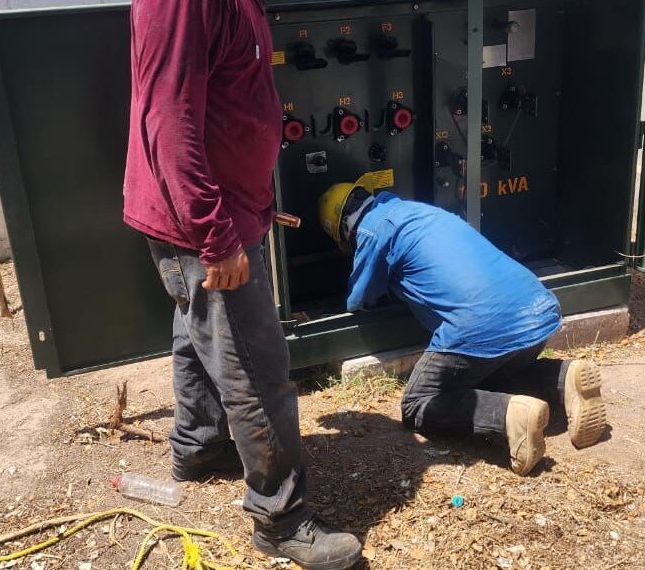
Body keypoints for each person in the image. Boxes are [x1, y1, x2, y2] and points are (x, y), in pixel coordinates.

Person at [122, 2, 362, 568]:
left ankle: (199, 446)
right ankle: (280, 518)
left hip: (228, 213)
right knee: (256, 368)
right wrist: (215, 235)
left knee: (197, 332)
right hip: (207, 224)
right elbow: (169, 118)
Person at [318, 177, 608, 475]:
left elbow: (358, 299)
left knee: (417, 404)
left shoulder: (371, 230)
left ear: (343, 230)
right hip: (537, 310)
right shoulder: (419, 211)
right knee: (485, 375)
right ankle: (562, 378)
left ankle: (509, 416)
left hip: (482, 325)